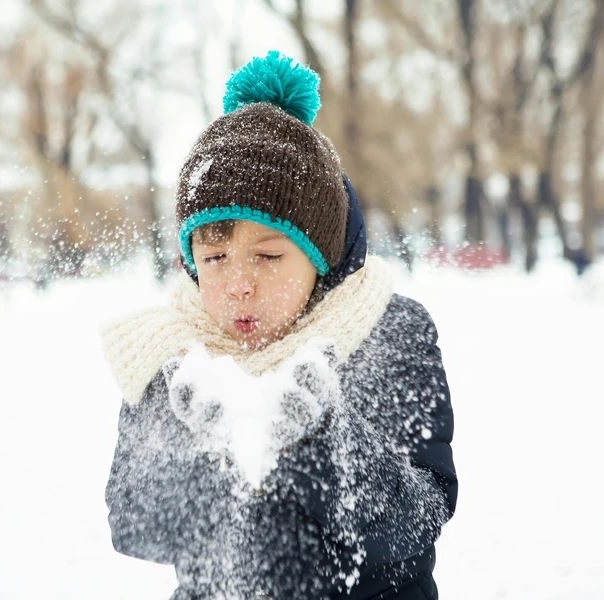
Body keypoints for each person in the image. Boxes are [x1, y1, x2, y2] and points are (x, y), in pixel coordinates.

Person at [100, 51, 457, 600]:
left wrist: (324, 441)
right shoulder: (171, 355)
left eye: (268, 257)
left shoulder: (386, 333)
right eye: (214, 259)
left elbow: (423, 514)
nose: (239, 285)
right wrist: (208, 452)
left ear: (320, 257)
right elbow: (132, 522)